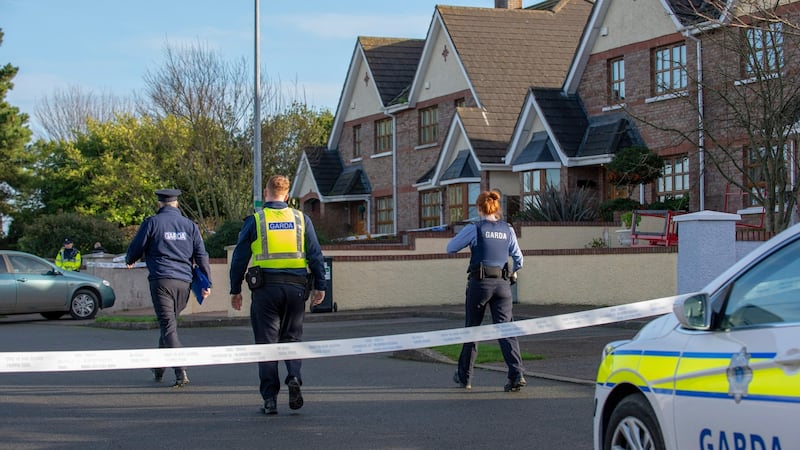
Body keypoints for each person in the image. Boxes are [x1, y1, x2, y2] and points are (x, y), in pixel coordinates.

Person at [229, 175, 326, 415]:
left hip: (265, 290)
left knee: (266, 344)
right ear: (287, 194)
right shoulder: (301, 219)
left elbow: (239, 258)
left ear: (266, 193)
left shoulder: (256, 220)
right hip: (296, 290)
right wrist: (320, 286)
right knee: (292, 338)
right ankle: (293, 376)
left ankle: (270, 399)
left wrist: (235, 290)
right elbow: (315, 255)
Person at [125, 188, 212, 388]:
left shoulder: (152, 223)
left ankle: (180, 369)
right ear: (177, 204)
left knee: (168, 325)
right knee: (169, 324)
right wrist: (207, 281)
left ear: (159, 204)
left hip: (162, 280)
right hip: (184, 282)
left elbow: (136, 247)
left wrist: (130, 259)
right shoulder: (190, 226)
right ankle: (159, 367)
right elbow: (201, 255)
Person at [446, 190, 526, 392]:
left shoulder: (475, 228)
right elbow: (519, 259)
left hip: (479, 284)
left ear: (479, 208)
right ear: (496, 207)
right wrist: (513, 273)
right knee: (506, 330)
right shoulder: (507, 229)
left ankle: (465, 377)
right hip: (502, 285)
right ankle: (516, 375)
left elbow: (451, 248)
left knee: (472, 330)